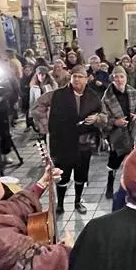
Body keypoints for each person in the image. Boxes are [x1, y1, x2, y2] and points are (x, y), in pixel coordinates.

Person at [36, 64, 104, 215]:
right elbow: (38, 105)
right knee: (62, 175)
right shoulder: (58, 94)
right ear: (70, 78)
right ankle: (60, 204)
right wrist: (46, 126)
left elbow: (104, 114)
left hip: (83, 144)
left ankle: (78, 201)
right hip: (62, 143)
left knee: (81, 174)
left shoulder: (93, 96)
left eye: (80, 77)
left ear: (86, 79)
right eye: (74, 76)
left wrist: (98, 118)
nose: (77, 79)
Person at [100, 66, 136, 199]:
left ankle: (132, 187)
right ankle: (110, 185)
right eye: (116, 77)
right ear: (112, 79)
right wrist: (114, 122)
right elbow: (103, 118)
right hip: (117, 135)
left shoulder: (134, 93)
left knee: (134, 162)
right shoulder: (106, 98)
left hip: (132, 132)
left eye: (121, 76)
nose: (119, 79)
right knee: (113, 163)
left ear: (126, 78)